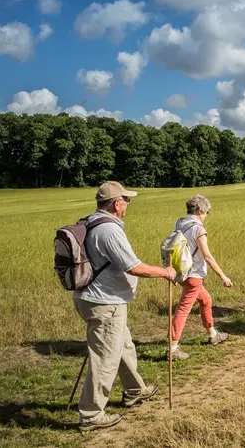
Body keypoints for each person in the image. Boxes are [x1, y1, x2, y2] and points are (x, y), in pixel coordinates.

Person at [73, 181, 177, 431]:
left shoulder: (91, 221)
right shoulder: (109, 230)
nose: (128, 204)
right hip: (104, 302)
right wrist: (166, 272)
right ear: (117, 203)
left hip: (101, 299)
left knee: (123, 346)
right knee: (106, 358)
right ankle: (91, 414)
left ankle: (134, 390)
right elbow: (134, 267)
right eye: (126, 200)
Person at [169, 194, 232, 360]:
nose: (206, 216)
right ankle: (173, 348)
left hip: (182, 273)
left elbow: (172, 248)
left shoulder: (179, 223)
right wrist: (223, 276)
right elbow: (208, 256)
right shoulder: (198, 229)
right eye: (206, 212)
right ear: (200, 210)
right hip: (194, 275)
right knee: (183, 310)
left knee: (205, 300)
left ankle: (213, 334)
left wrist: (172, 271)